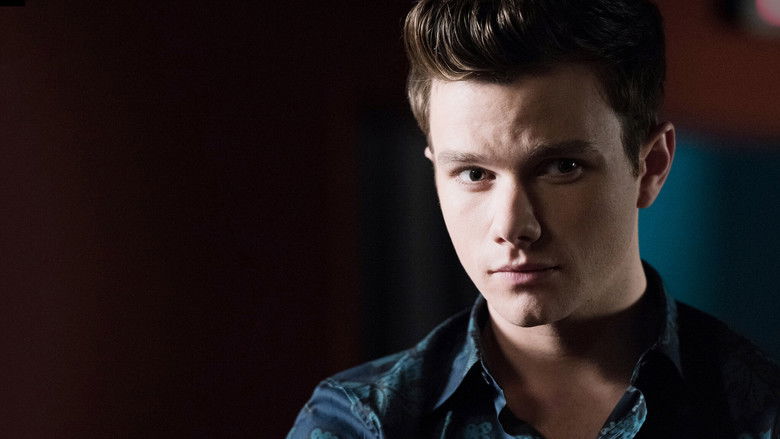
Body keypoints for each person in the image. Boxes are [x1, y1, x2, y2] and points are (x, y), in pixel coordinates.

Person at [287, 0, 780, 437]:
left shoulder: (761, 413)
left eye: (562, 168)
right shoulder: (362, 423)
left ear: (650, 166)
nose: (512, 227)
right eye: (474, 173)